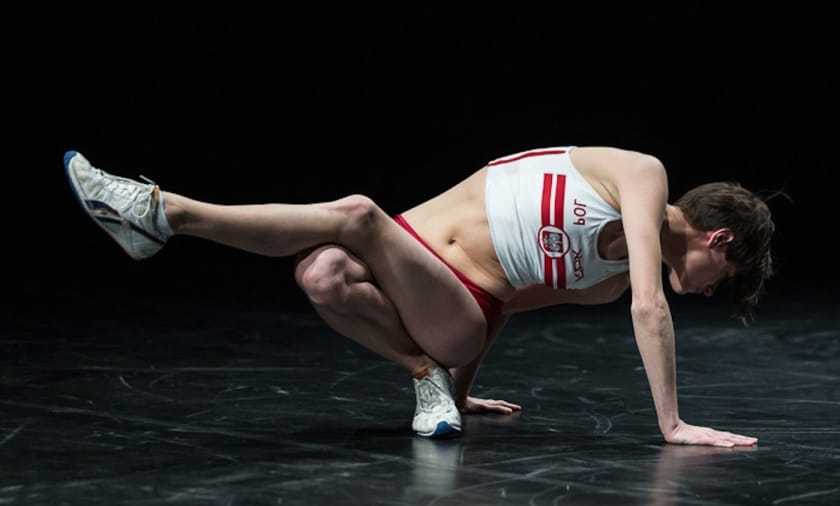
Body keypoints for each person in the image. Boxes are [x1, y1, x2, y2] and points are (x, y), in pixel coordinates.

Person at [63, 145, 774, 446]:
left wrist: (467, 372)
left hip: (461, 309)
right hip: (412, 257)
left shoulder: (608, 280)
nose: (709, 293)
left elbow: (511, 307)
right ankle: (420, 376)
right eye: (726, 281)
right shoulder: (642, 174)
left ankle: (163, 214)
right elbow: (651, 307)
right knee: (319, 275)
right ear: (718, 242)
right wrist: (674, 426)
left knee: (356, 214)